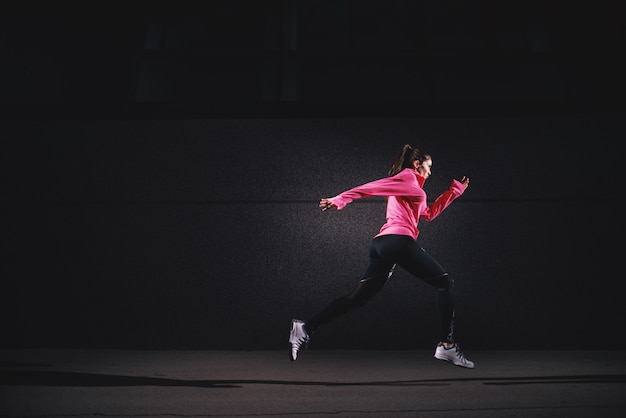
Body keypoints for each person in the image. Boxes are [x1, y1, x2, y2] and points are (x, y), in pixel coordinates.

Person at [288, 144, 474, 368]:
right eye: (429, 166)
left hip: (383, 245)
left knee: (357, 299)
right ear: (417, 165)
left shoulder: (412, 187)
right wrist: (340, 199)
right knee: (445, 283)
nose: (430, 172)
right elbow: (371, 188)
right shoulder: (406, 178)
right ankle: (447, 346)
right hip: (398, 242)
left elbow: (428, 214)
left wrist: (454, 191)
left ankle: (306, 328)